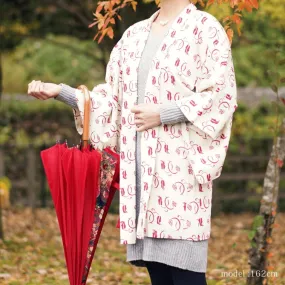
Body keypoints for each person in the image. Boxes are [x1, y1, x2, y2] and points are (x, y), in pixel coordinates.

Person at [28, 1, 238, 284]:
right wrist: (61, 92)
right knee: (160, 276)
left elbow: (220, 97)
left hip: (180, 180)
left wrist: (163, 114)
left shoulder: (205, 29)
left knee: (187, 275)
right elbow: (111, 102)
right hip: (140, 183)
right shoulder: (134, 35)